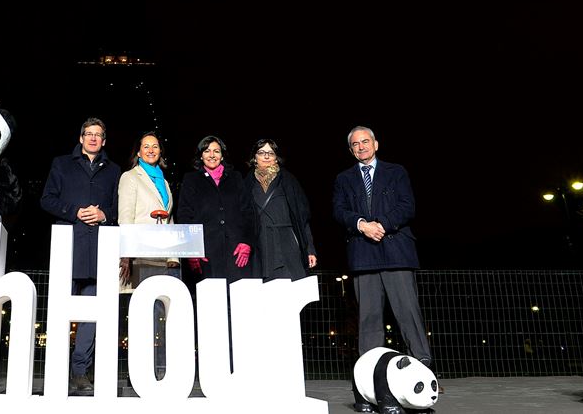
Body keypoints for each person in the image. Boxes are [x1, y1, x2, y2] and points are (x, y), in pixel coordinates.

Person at [333, 125, 433, 407]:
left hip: (397, 252)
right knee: (368, 322)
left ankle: (422, 377)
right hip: (363, 255)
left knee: (408, 316)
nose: (361, 146)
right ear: (350, 149)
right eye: (356, 144)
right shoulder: (343, 178)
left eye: (366, 141)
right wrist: (362, 226)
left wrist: (382, 225)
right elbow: (339, 211)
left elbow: (407, 206)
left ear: (376, 144)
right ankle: (368, 386)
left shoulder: (396, 171)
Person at [40, 117, 121, 395]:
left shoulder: (114, 171)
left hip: (99, 250)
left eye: (98, 134)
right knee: (60, 315)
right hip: (69, 249)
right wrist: (74, 211)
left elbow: (117, 208)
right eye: (88, 133)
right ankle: (55, 370)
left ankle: (79, 372)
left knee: (91, 318)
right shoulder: (61, 164)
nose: (93, 138)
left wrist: (104, 215)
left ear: (104, 140)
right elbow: (46, 200)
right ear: (80, 137)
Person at [117, 130, 179, 378]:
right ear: (139, 152)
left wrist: (174, 255)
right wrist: (126, 254)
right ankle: (141, 372)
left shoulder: (163, 181)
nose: (151, 150)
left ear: (160, 151)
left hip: (164, 255)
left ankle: (162, 369)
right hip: (141, 253)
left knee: (163, 314)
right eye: (146, 146)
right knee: (144, 315)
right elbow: (125, 216)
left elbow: (169, 217)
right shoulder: (130, 177)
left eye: (155, 146)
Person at [176, 135, 256, 284]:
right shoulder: (191, 180)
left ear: (222, 155)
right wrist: (192, 250)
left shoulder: (236, 178)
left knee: (239, 302)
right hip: (206, 254)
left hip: (236, 252)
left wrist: (246, 242)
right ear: (201, 155)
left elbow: (248, 213)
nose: (212, 155)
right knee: (211, 304)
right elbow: (184, 215)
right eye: (207, 151)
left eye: (216, 151)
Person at [245, 139, 318, 280]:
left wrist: (309, 249)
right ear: (255, 157)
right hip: (259, 246)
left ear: (276, 158)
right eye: (261, 152)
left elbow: (302, 218)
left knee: (289, 293)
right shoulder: (246, 183)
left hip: (287, 244)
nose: (266, 156)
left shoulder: (288, 180)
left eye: (270, 153)